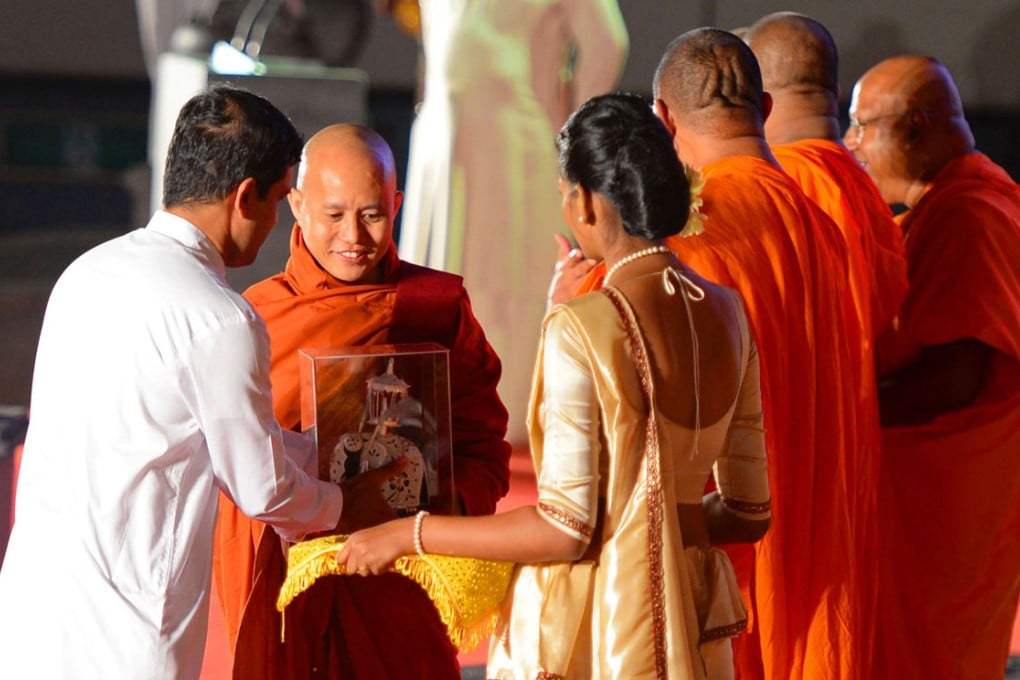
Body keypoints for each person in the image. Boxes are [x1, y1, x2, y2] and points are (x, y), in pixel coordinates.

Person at [338, 92, 771, 679]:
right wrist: (663, 523)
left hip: (597, 633)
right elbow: (748, 511)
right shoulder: (726, 312)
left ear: (586, 202)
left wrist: (409, 533)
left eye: (566, 193)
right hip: (694, 630)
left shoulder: (586, 324)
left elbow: (565, 529)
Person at [0, 85, 374, 679]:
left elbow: (207, 436)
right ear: (245, 197)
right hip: (129, 639)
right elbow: (264, 490)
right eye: (279, 200)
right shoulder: (219, 316)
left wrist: (327, 451)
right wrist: (348, 501)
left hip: (32, 617)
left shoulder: (85, 272)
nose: (277, 221)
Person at [213, 124, 512, 679]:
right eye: (333, 215)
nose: (353, 235)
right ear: (297, 206)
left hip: (398, 583)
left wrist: (426, 505)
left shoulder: (434, 306)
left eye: (372, 214)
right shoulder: (254, 316)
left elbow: (484, 450)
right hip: (287, 582)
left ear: (397, 204)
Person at [844, 55, 1020, 679]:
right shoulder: (947, 204)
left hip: (947, 507)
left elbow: (957, 373)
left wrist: (839, 416)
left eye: (862, 125)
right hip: (932, 498)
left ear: (915, 128)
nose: (851, 143)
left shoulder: (970, 214)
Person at [397, 0, 629, 445]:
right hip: (442, 133)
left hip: (515, 130)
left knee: (503, 273)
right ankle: (431, 411)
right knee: (439, 273)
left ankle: (508, 413)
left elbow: (606, 43)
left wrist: (574, 126)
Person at [746, 11, 908, 345]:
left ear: (756, 97)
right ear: (835, 92)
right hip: (856, 396)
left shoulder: (771, 183)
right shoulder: (869, 190)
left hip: (789, 395)